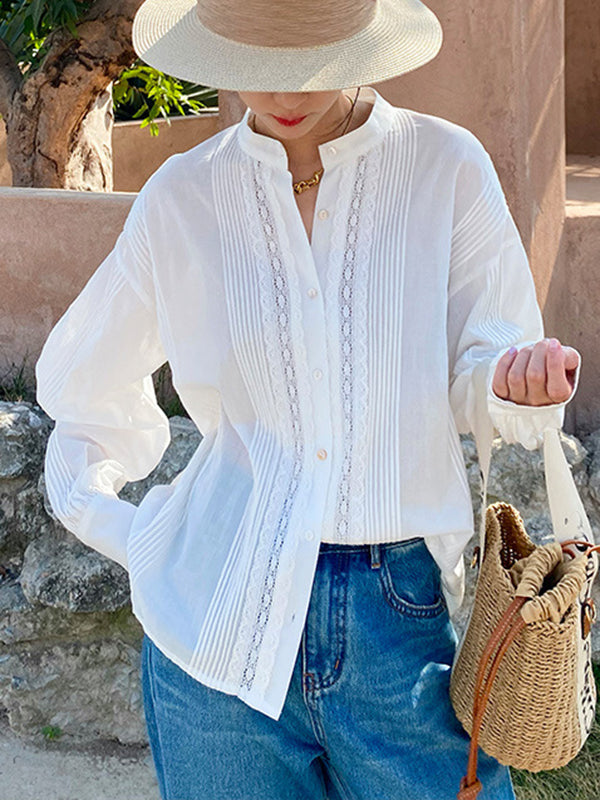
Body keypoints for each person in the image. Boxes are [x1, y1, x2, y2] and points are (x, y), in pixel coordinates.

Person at [34, 0, 581, 798]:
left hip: (401, 622)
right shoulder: (183, 196)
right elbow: (86, 388)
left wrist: (512, 384)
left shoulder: (446, 167)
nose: (285, 93)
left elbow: (488, 355)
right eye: (258, 65)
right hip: (212, 630)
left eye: (311, 61)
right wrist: (135, 535)